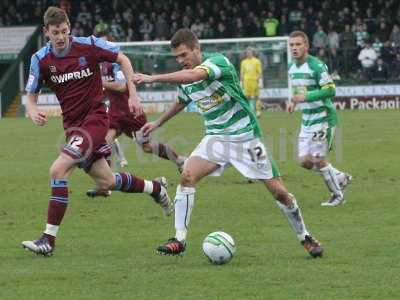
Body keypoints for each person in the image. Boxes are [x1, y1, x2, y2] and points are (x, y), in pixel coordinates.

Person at [133, 28, 324, 258]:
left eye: (184, 55)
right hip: (216, 139)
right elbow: (182, 100)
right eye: (177, 57)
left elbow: (195, 76)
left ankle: (305, 236)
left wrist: (153, 78)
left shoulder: (218, 63)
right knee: (187, 176)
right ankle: (179, 239)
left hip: (245, 137)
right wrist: (158, 123)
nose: (181, 60)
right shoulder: (184, 78)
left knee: (280, 192)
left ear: (197, 48)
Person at [21, 7, 172, 257]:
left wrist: (133, 93)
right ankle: (156, 188)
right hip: (72, 127)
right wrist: (33, 110)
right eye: (55, 32)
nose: (60, 37)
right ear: (46, 32)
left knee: (58, 170)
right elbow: (31, 93)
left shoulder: (88, 45)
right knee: (107, 181)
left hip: (95, 120)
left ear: (69, 27)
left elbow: (123, 59)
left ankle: (48, 239)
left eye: (64, 31)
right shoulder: (41, 59)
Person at [86, 28, 186, 198]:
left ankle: (180, 160)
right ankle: (105, 185)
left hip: (131, 112)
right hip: (115, 114)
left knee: (146, 147)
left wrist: (101, 83)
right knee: (104, 143)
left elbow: (123, 85)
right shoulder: (100, 64)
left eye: (104, 42)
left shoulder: (116, 61)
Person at [287, 31, 352, 207]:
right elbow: (297, 91)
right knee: (304, 161)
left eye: (298, 44)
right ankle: (340, 177)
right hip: (307, 120)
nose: (294, 48)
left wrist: (306, 96)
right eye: (292, 45)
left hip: (323, 117)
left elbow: (331, 90)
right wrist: (293, 101)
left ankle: (337, 195)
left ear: (306, 46)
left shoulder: (316, 65)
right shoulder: (291, 68)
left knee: (317, 158)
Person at [240, 47, 263, 118]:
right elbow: (242, 73)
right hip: (246, 82)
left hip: (254, 81)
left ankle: (258, 111)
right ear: (246, 53)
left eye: (250, 52)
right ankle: (249, 111)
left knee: (256, 97)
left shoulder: (257, 61)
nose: (248, 53)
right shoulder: (243, 62)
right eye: (247, 52)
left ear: (252, 53)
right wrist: (241, 82)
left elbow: (260, 72)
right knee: (247, 97)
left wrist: (259, 80)